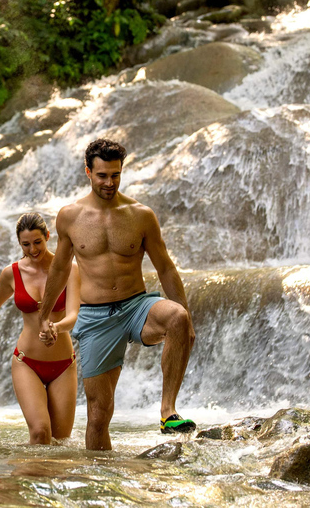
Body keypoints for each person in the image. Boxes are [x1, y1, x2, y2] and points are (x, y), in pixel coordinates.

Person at [37, 138, 197, 451]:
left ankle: (167, 412)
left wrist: (187, 317)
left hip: (137, 306)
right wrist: (44, 316)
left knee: (177, 317)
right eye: (102, 175)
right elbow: (58, 270)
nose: (109, 182)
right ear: (88, 172)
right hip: (96, 317)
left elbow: (165, 268)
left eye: (115, 175)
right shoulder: (70, 216)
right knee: (98, 415)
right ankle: (100, 482)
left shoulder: (141, 215)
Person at [0, 213, 81, 445]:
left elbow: (73, 315)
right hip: (26, 362)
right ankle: (22, 477)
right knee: (40, 434)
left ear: (48, 237)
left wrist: (56, 327)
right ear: (19, 244)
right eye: (25, 245)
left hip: (63, 366)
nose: (33, 249)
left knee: (60, 442)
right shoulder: (12, 273)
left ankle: (42, 479)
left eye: (38, 242)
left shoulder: (70, 269)